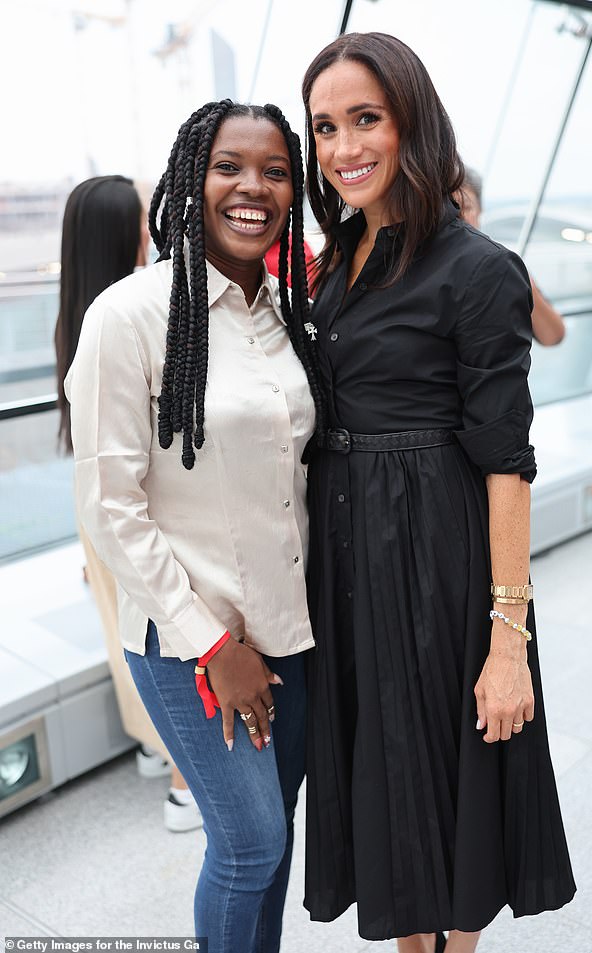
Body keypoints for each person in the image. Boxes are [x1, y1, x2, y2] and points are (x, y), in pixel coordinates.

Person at [301, 32, 576, 953]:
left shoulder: (476, 267)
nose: (344, 148)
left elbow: (506, 459)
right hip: (347, 553)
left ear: (413, 119)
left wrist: (510, 642)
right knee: (382, 779)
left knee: (445, 780)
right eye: (326, 128)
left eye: (366, 119)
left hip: (432, 559)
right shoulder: (337, 259)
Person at [65, 101, 325, 952]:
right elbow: (111, 504)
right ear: (190, 179)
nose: (253, 187)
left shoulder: (287, 312)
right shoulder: (129, 315)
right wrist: (216, 646)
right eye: (229, 167)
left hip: (292, 631)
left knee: (275, 837)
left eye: (276, 170)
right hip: (191, 644)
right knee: (250, 846)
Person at [54, 174, 201, 833]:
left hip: (94, 503)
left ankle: (151, 745)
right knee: (164, 628)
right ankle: (182, 780)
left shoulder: (75, 309)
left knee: (127, 626)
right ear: (125, 232)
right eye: (142, 218)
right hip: (136, 502)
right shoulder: (124, 315)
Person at [458, 167, 566, 346]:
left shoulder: (501, 264)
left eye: (466, 207)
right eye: (452, 209)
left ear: (480, 210)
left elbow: (553, 336)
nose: (460, 216)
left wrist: (521, 280)